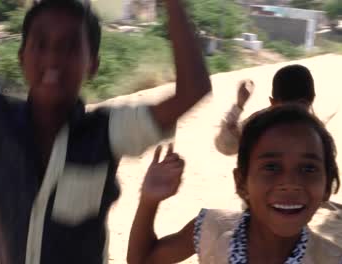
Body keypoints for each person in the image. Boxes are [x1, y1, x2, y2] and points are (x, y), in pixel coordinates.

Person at [0, 0, 211, 263]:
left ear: (92, 64)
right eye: (40, 44)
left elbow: (192, 90)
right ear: (22, 56)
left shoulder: (109, 131)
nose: (53, 57)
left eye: (70, 47)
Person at [128, 105, 342, 264]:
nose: (290, 183)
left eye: (308, 169)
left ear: (327, 186)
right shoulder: (212, 227)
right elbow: (143, 259)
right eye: (271, 167)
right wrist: (149, 200)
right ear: (241, 182)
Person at [215, 64, 339, 156]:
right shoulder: (319, 133)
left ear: (273, 103)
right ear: (312, 99)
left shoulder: (259, 125)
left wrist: (239, 105)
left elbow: (226, 147)